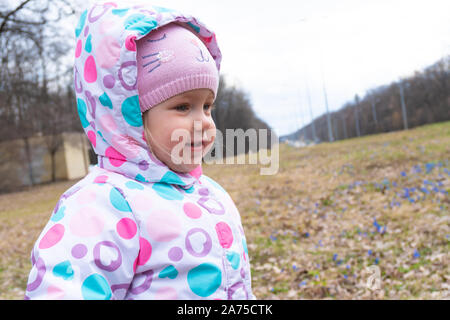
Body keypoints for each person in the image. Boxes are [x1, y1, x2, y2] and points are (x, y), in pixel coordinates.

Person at [25, 1, 255, 300]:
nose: (203, 122)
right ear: (132, 115)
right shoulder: (102, 205)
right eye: (183, 107)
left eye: (207, 106)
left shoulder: (211, 194)